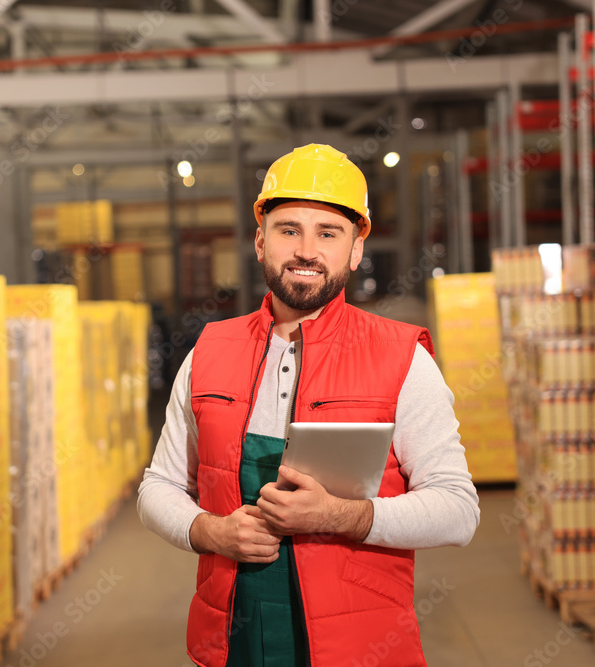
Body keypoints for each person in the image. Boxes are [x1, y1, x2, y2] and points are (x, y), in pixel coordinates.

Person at [138, 143, 480, 667]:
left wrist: (339, 515)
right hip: (234, 644)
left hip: (359, 648)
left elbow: (458, 512)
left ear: (355, 250)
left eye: (328, 233)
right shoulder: (209, 352)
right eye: (288, 229)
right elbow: (158, 487)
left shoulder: (401, 359)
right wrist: (211, 531)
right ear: (260, 240)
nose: (306, 250)